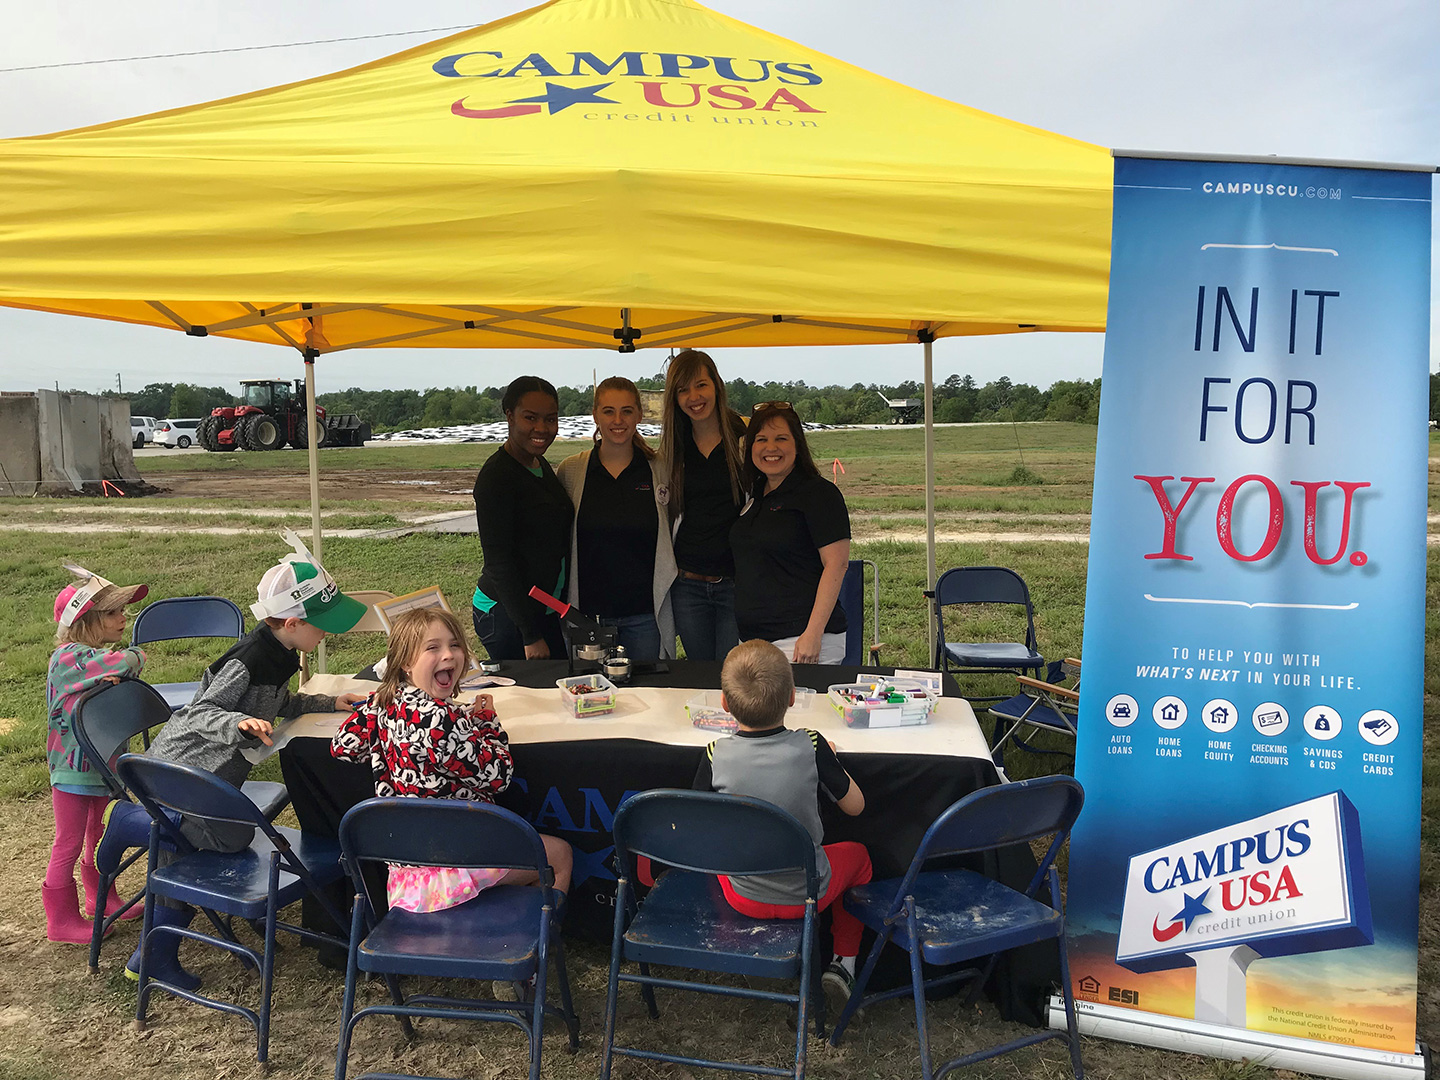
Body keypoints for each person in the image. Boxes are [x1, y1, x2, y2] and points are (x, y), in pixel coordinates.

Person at [96, 537, 369, 989]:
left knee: (182, 851)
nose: (326, 633)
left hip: (206, 780)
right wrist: (238, 723)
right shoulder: (247, 661)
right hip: (187, 769)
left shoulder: (281, 652)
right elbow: (201, 712)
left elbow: (278, 700)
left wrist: (327, 700)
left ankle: (151, 954)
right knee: (230, 836)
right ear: (290, 621)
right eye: (320, 624)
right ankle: (133, 821)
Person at [330, 607, 573, 912]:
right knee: (559, 855)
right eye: (433, 647)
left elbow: (343, 747)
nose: (448, 655)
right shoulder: (442, 721)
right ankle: (540, 944)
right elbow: (499, 777)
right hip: (452, 867)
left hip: (406, 869)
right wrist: (486, 722)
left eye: (455, 645)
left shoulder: (385, 701)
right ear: (406, 662)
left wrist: (377, 712)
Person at [693, 639, 871, 1005]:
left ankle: (730, 936)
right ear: (792, 697)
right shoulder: (812, 745)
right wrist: (829, 761)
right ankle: (843, 963)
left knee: (714, 853)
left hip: (742, 894)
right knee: (861, 857)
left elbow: (701, 828)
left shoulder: (714, 754)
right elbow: (856, 807)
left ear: (725, 705)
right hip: (809, 893)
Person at [42, 564, 150, 945]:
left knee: (98, 833)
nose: (123, 618)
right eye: (112, 612)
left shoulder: (87, 660)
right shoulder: (68, 659)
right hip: (72, 770)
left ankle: (102, 896)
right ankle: (61, 919)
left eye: (122, 611)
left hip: (102, 766)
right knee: (68, 842)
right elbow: (128, 662)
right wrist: (130, 659)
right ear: (84, 620)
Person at [556, 376, 676, 660]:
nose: (618, 420)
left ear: (640, 414)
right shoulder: (571, 472)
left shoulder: (660, 470)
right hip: (589, 619)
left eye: (627, 410)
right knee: (591, 699)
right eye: (608, 411)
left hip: (645, 617)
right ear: (595, 414)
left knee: (648, 698)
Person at [730, 402, 851, 664]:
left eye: (781, 438)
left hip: (799, 642)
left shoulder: (819, 494)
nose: (770, 448)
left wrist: (813, 634)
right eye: (761, 439)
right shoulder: (756, 494)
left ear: (797, 444)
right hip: (753, 640)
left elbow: (837, 564)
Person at [472, 376, 573, 661]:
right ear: (510, 416)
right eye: (530, 418)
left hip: (542, 608)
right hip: (507, 614)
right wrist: (530, 634)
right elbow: (499, 562)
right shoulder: (497, 478)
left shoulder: (536, 463)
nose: (542, 428)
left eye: (550, 419)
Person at [657, 349, 748, 662]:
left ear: (716, 386)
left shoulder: (744, 440)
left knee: (732, 678)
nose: (693, 397)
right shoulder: (673, 448)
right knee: (699, 677)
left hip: (734, 585)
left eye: (700, 385)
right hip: (688, 587)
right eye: (683, 390)